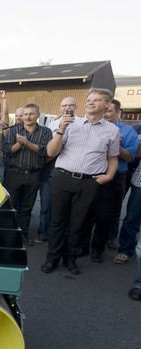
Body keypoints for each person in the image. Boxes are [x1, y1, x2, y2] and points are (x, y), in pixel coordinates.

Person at [40, 88, 120, 276]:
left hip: (89, 182)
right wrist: (61, 130)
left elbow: (113, 158)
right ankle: (52, 259)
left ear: (107, 104)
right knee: (57, 222)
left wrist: (108, 176)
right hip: (63, 177)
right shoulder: (69, 123)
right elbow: (51, 152)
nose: (90, 102)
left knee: (79, 224)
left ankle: (70, 259)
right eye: (89, 99)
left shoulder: (112, 130)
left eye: (97, 100)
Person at [81, 99, 138, 263]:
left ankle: (98, 249)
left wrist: (115, 144)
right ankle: (82, 246)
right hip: (92, 175)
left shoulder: (127, 132)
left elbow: (129, 157)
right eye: (104, 111)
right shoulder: (92, 127)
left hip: (115, 177)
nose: (105, 114)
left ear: (118, 113)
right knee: (86, 213)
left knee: (106, 216)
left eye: (110, 111)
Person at [2, 104, 52, 245]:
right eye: (25, 114)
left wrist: (26, 142)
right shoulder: (13, 130)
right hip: (14, 173)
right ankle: (7, 236)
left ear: (38, 115)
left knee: (26, 208)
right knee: (9, 207)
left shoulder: (46, 132)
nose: (28, 117)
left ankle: (22, 235)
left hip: (34, 175)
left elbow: (44, 152)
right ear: (22, 116)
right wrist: (19, 144)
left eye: (31, 114)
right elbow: (7, 151)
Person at [37, 97, 79, 243]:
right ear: (60, 108)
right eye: (64, 105)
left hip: (69, 171)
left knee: (64, 209)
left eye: (71, 105)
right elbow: (46, 149)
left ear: (76, 107)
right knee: (46, 205)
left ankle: (62, 236)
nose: (67, 107)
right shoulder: (51, 125)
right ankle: (43, 233)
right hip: (49, 169)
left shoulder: (82, 124)